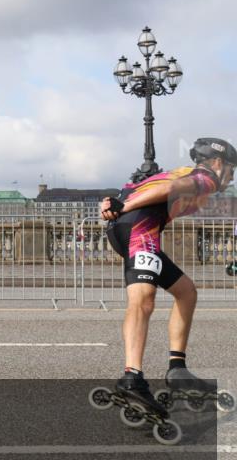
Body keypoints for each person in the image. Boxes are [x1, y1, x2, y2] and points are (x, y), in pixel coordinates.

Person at [100, 137, 237, 413]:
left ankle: (177, 368)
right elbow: (172, 189)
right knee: (143, 300)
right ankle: (133, 378)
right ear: (219, 163)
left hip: (124, 229)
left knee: (186, 291)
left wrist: (112, 203)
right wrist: (123, 207)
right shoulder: (206, 177)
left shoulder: (178, 170)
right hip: (139, 230)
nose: (231, 176)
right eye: (232, 170)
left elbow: (129, 188)